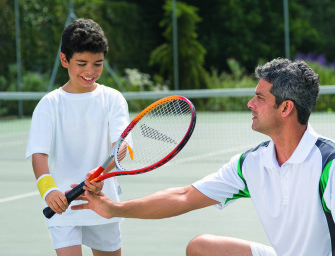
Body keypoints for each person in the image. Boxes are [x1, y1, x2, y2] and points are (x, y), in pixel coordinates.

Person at [71, 58, 335, 256]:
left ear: (286, 108)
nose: (250, 104)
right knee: (201, 248)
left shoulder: (328, 165)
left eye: (260, 98)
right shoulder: (251, 164)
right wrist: (114, 208)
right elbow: (184, 197)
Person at [26, 18, 129, 256]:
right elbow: (39, 154)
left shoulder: (113, 99)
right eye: (81, 63)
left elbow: (120, 146)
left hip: (103, 202)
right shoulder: (49, 104)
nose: (90, 71)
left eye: (98, 63)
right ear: (64, 59)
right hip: (63, 207)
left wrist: (102, 173)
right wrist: (49, 191)